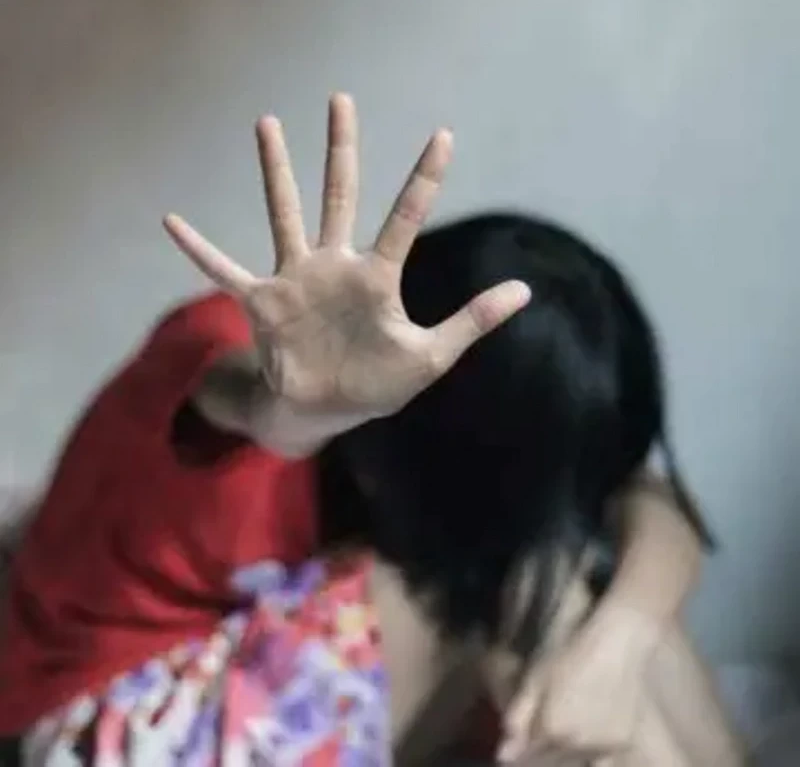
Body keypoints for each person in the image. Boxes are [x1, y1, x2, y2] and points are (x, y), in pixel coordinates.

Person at [0, 94, 744, 765]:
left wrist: (624, 638)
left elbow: (645, 498)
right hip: (92, 715)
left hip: (252, 657)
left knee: (580, 584)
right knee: (525, 586)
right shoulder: (234, 351)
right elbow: (247, 405)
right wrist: (297, 409)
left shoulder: (433, 475)